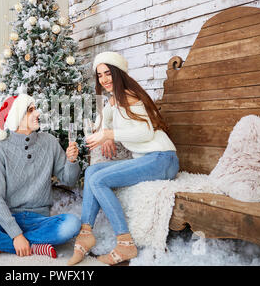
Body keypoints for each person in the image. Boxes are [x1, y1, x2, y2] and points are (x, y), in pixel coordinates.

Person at [68, 52, 179, 266]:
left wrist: (109, 135)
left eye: (108, 73)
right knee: (92, 172)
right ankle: (86, 232)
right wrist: (105, 131)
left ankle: (125, 244)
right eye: (100, 75)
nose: (104, 79)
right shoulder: (114, 101)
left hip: (162, 158)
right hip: (148, 159)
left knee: (98, 180)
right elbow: (100, 121)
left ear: (118, 73)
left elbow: (146, 133)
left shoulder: (129, 96)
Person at [0, 94, 81, 259]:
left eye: (35, 109)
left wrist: (71, 161)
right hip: (8, 219)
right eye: (30, 110)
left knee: (72, 224)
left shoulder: (49, 142)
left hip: (40, 220)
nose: (37, 114)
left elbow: (69, 179)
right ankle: (33, 246)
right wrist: (16, 234)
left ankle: (5, 244)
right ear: (17, 116)